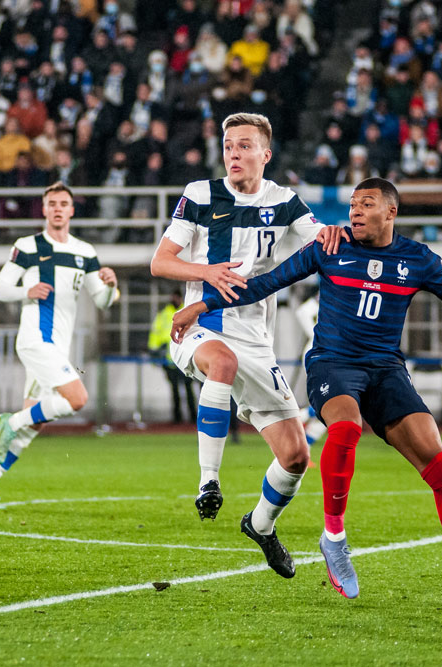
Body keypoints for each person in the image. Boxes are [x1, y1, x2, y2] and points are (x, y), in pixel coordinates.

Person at [171, 177, 442, 605]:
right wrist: (200, 306)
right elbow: (263, 284)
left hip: (386, 369)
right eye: (351, 204)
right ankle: (334, 538)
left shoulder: (419, 259)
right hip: (333, 364)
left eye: (366, 204)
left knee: (440, 465)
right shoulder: (331, 247)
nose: (354, 211)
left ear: (391, 212)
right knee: (346, 429)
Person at [149, 112, 345, 578]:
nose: (233, 154)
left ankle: (260, 525)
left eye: (243, 146)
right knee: (222, 361)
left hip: (257, 339)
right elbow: (161, 262)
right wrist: (206, 272)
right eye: (228, 145)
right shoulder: (200, 195)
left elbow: (320, 239)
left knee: (297, 456)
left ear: (265, 154)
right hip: (198, 326)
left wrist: (339, 232)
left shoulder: (284, 201)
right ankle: (208, 482)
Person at [0, 182, 120, 508]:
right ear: (44, 208)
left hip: (56, 348)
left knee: (34, 420)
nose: (58, 209)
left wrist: (111, 285)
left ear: (72, 210)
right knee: (77, 398)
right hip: (36, 340)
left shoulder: (85, 252)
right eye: (52, 203)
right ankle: (11, 422)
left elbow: (103, 300)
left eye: (64, 203)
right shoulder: (27, 245)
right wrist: (28, 291)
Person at [148, 290, 197, 423]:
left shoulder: (188, 311)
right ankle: (177, 418)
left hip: (186, 359)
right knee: (174, 390)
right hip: (170, 361)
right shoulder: (164, 314)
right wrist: (154, 350)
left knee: (188, 389)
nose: (173, 298)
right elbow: (155, 333)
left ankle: (193, 416)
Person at [294, 292, 326, 449]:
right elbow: (303, 311)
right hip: (319, 354)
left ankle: (303, 449)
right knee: (330, 406)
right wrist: (316, 337)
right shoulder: (335, 287)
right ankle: (294, 420)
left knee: (331, 414)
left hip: (333, 355)